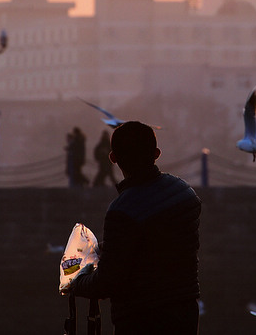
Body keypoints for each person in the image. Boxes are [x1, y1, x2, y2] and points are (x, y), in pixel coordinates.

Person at [68, 121, 202, 334]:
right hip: (184, 311)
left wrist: (75, 282)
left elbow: (107, 282)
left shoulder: (122, 210)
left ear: (112, 158)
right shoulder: (184, 194)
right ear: (156, 153)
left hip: (141, 318)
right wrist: (106, 247)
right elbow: (154, 242)